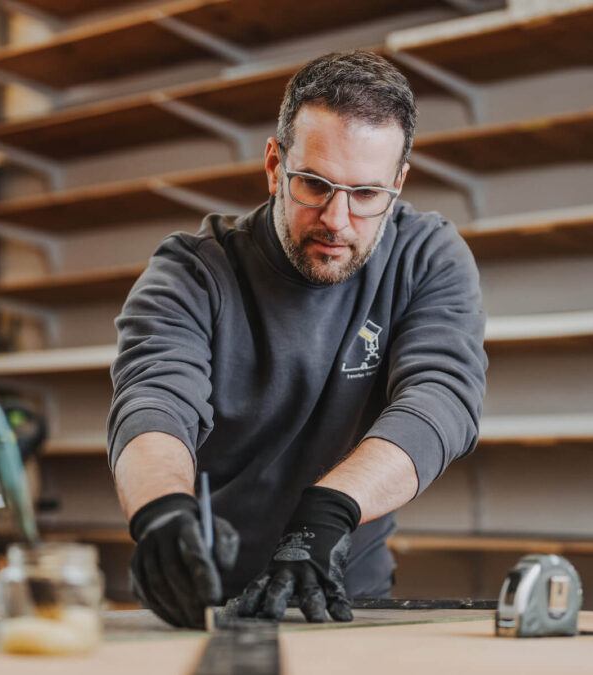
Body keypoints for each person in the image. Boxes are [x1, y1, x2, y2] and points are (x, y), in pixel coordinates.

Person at [107, 50, 487, 628]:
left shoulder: (426, 256)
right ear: (273, 164)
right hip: (203, 594)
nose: (337, 219)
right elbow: (154, 401)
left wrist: (326, 514)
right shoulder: (190, 272)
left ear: (399, 181)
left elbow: (442, 400)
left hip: (341, 589)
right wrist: (160, 512)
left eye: (366, 194)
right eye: (314, 183)